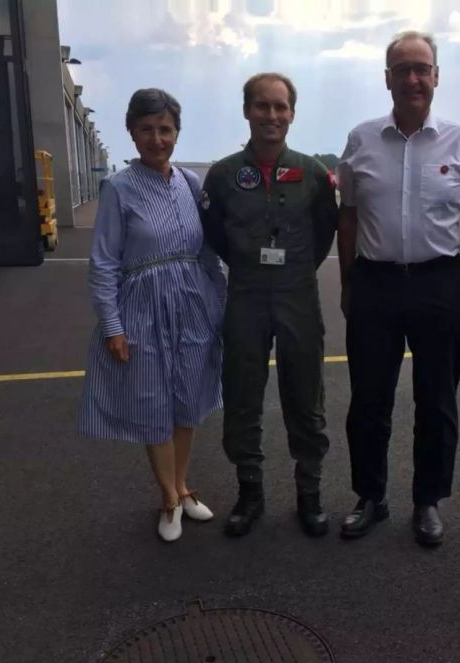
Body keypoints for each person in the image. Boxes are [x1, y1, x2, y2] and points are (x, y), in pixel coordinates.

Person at [336, 31, 460, 547]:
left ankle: (427, 501)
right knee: (369, 402)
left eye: (421, 68)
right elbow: (349, 216)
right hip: (376, 286)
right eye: (402, 69)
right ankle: (371, 497)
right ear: (387, 79)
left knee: (437, 402)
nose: (412, 79)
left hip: (439, 285)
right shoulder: (360, 140)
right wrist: (348, 282)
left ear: (436, 76)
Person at [78, 88, 228, 542]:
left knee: (187, 400)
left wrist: (219, 306)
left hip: (192, 305)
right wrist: (113, 326)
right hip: (141, 308)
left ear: (177, 132)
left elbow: (208, 253)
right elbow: (103, 262)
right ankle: (167, 496)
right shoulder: (118, 189)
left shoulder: (190, 183)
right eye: (147, 129)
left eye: (165, 129)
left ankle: (183, 488)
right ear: (132, 132)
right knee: (152, 403)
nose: (157, 139)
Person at [199, 73, 338, 538]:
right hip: (246, 294)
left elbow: (325, 232)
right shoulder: (222, 175)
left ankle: (309, 493)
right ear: (247, 111)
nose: (272, 116)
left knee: (306, 395)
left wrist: (294, 269)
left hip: (298, 293)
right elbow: (214, 232)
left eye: (280, 107)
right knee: (242, 396)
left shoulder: (314, 174)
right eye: (262, 106)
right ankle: (250, 492)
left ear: (292, 114)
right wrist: (248, 264)